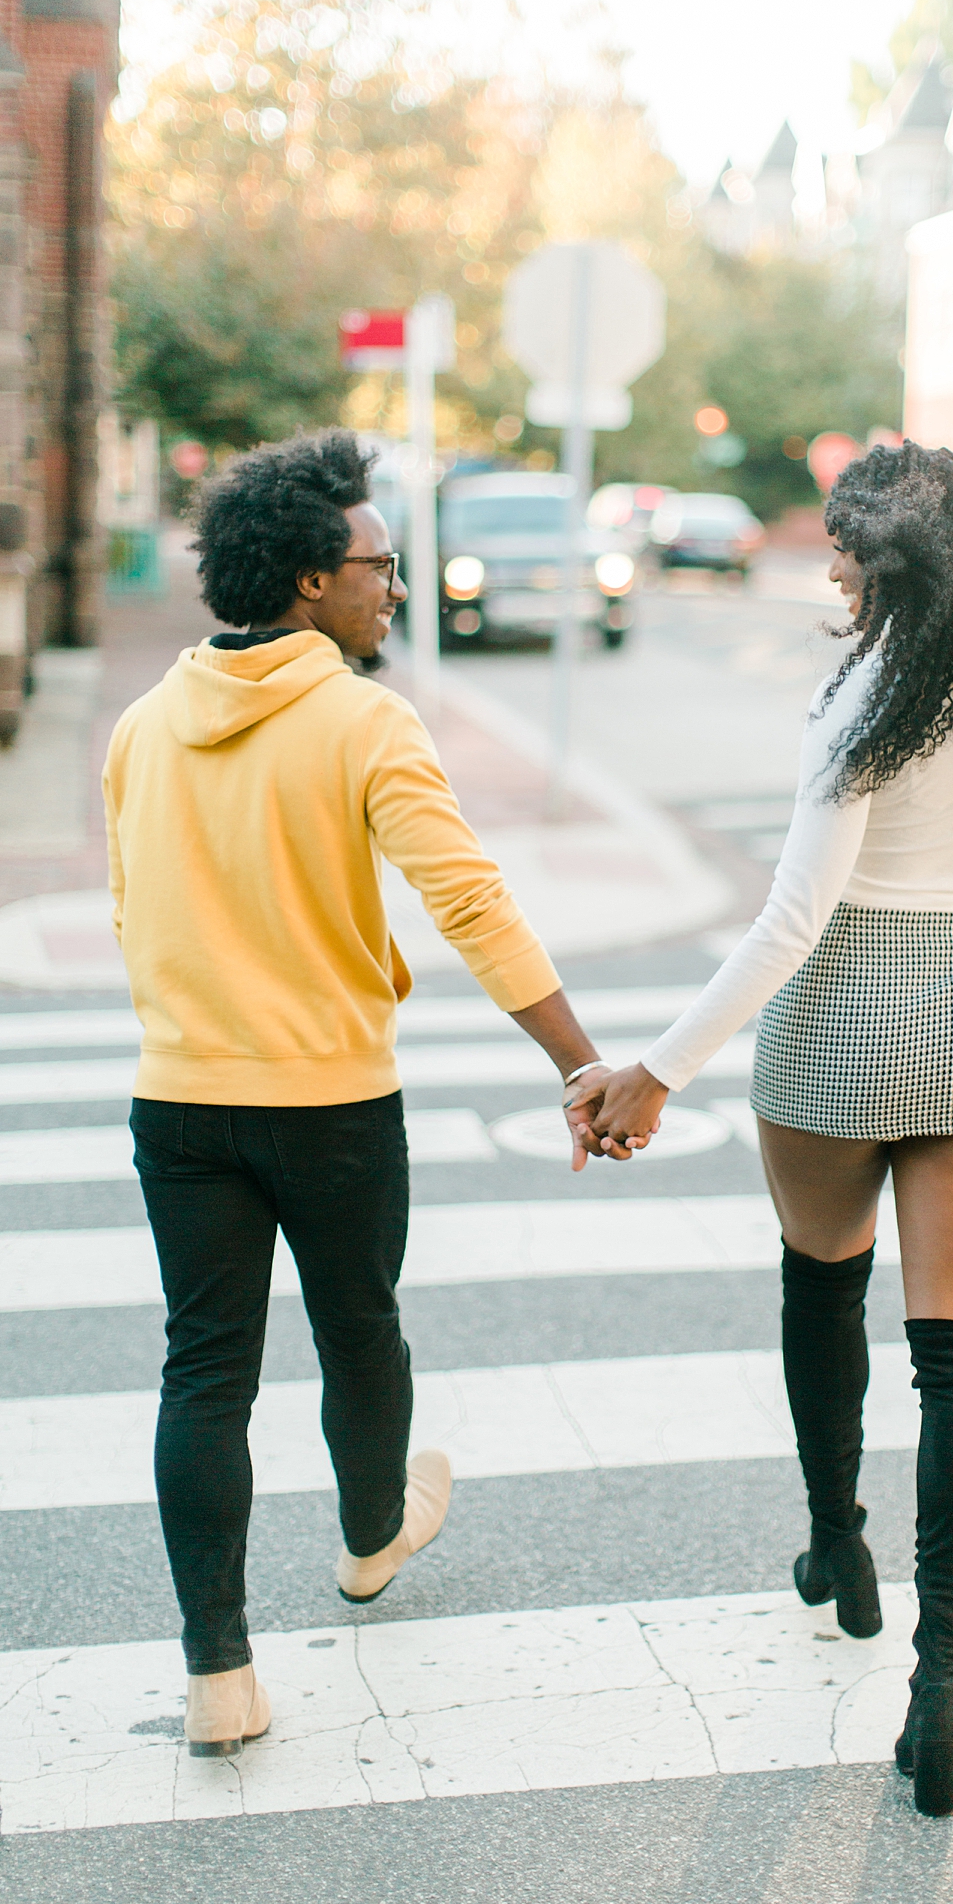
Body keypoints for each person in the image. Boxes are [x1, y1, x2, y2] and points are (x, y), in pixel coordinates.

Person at [572, 440, 953, 1816]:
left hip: (836, 1027)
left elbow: (793, 922)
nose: (829, 564)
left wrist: (655, 1069)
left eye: (844, 546)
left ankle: (837, 1543)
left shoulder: (866, 697)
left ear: (894, 560)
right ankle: (939, 1684)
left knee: (823, 1281)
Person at [104, 430, 611, 1759]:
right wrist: (579, 1061)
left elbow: (132, 915)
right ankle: (372, 1537)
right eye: (381, 564)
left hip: (180, 1098)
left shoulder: (141, 729)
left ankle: (220, 1674)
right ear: (314, 583)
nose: (396, 585)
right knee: (358, 1331)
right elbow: (471, 904)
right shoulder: (365, 720)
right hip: (328, 1100)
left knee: (203, 1374)